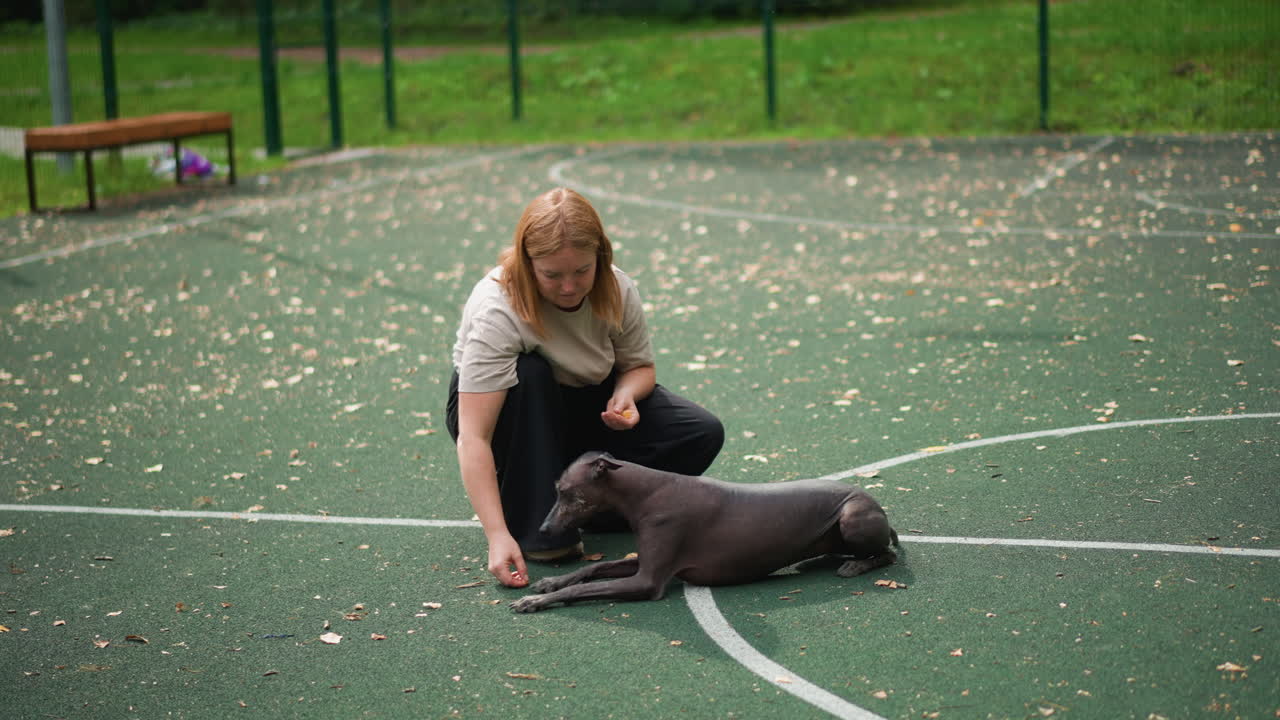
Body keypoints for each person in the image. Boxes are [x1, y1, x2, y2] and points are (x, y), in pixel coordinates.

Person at [446, 187, 724, 588]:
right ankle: (534, 517)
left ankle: (596, 509)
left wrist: (626, 393)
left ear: (601, 258)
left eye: (582, 271)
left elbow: (640, 367)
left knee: (700, 432)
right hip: (513, 409)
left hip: (583, 400)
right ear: (528, 264)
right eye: (552, 275)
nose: (569, 287)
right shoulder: (498, 308)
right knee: (532, 373)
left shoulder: (616, 287)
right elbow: (474, 436)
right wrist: (496, 534)